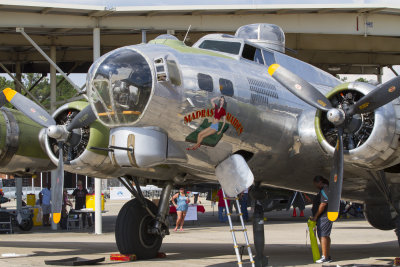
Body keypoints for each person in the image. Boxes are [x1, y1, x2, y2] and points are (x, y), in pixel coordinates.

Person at [310, 175, 333, 263]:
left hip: (324, 216)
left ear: (319, 182)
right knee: (324, 235)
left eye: (315, 183)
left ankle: (325, 257)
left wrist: (316, 216)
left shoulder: (325, 190)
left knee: (323, 235)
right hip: (323, 216)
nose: (315, 185)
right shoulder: (323, 190)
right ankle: (327, 255)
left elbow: (323, 204)